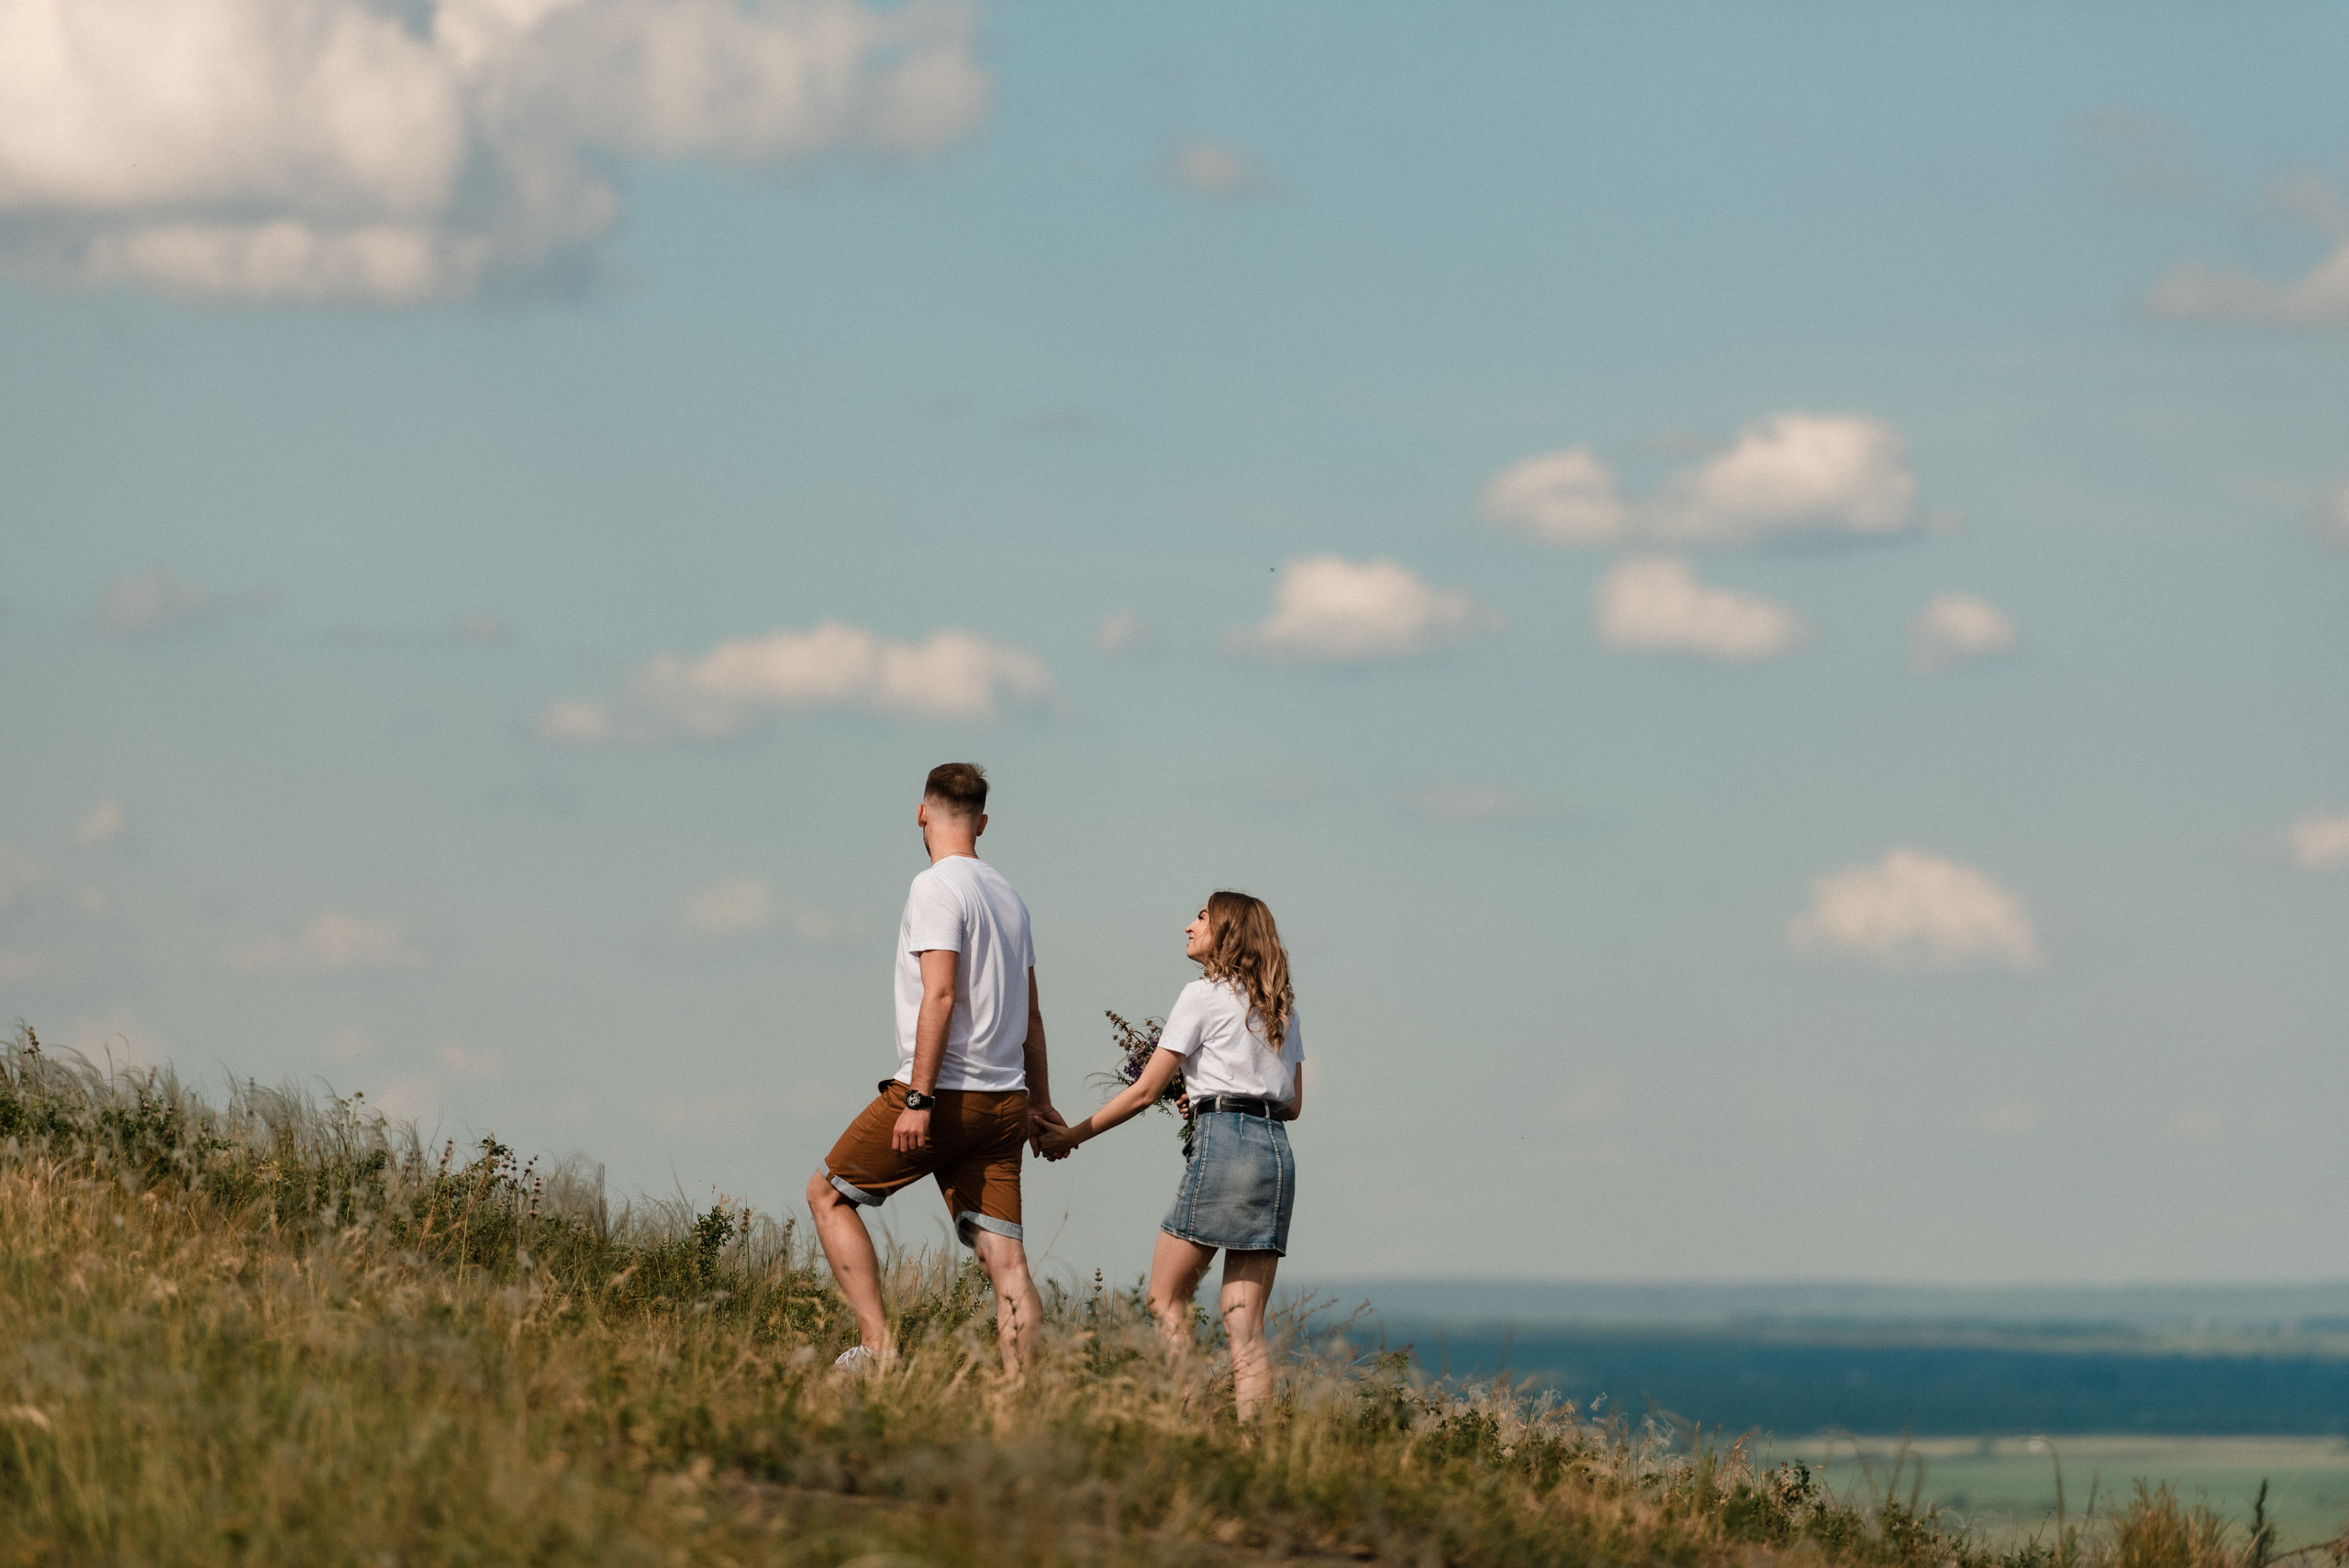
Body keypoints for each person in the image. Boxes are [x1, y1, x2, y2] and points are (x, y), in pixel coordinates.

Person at [805, 762, 1065, 1374]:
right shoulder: (1009, 896)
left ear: (922, 812)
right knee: (1008, 1263)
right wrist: (1038, 1101)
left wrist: (918, 1097)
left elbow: (940, 994)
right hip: (1005, 1101)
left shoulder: (935, 887)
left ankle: (878, 1350)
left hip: (946, 1091)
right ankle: (1020, 1399)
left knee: (827, 1194)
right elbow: (1031, 1013)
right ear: (982, 822)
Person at [1039, 892, 1303, 1420]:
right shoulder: (1281, 1008)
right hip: (1275, 1154)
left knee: (1164, 1300)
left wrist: (1072, 1136)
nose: (1188, 925)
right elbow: (1292, 1104)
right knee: (1245, 1329)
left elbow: (1142, 1093)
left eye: (1201, 917)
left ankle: (1189, 1423)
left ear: (1226, 931)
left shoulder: (1201, 996)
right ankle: (1256, 1450)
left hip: (1224, 1145)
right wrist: (1205, 1091)